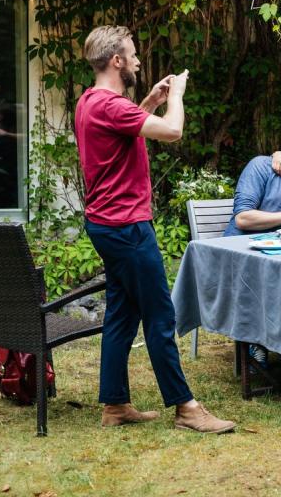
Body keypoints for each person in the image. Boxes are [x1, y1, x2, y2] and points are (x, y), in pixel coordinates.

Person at [75, 25, 234, 433]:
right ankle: (186, 407)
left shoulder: (91, 101)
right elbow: (172, 131)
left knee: (122, 314)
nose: (138, 60)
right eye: (132, 53)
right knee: (160, 315)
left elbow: (126, 129)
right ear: (116, 61)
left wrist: (148, 101)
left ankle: (114, 405)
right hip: (127, 226)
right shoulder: (111, 106)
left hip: (106, 223)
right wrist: (175, 97)